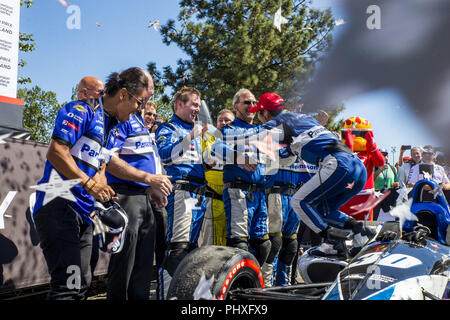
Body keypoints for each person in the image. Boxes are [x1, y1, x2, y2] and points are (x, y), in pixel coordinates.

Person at [32, 67, 151, 300]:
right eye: (139, 102)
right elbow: (56, 152)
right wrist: (89, 184)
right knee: (67, 287)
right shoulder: (82, 109)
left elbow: (100, 168)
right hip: (58, 203)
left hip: (85, 213)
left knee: (83, 284)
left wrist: (103, 192)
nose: (141, 109)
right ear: (123, 95)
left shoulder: (114, 126)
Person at [214, 92, 369, 248]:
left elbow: (248, 136)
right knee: (323, 210)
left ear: (265, 113)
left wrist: (218, 131)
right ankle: (360, 230)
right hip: (359, 169)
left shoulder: (279, 122)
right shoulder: (302, 120)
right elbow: (284, 153)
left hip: (338, 165)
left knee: (300, 202)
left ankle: (332, 242)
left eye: (258, 112)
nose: (257, 116)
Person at [104, 72, 173, 300]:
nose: (151, 92)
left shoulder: (138, 120)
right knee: (124, 266)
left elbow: (146, 160)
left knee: (143, 269)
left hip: (145, 199)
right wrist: (148, 179)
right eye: (149, 86)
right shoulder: (121, 118)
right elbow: (109, 160)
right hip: (126, 198)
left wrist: (152, 187)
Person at [155, 86, 208, 299]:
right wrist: (190, 137)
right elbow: (166, 156)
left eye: (198, 105)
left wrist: (210, 159)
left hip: (199, 195)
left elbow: (204, 161)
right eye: (193, 104)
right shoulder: (169, 128)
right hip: (180, 193)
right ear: (179, 104)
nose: (197, 109)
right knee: (177, 250)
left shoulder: (197, 131)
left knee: (193, 252)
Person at [212, 88, 272, 269]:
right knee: (239, 245)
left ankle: (253, 283)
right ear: (235, 105)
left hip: (260, 194)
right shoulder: (227, 130)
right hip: (238, 191)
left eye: (255, 102)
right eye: (247, 102)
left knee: (263, 246)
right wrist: (239, 157)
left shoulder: (262, 130)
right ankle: (234, 288)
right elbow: (215, 150)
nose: (252, 106)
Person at [339, 117, 385, 221]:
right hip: (345, 196)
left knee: (364, 229)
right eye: (353, 133)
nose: (356, 137)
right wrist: (348, 148)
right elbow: (346, 167)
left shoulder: (369, 153)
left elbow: (380, 162)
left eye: (361, 134)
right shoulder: (340, 152)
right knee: (341, 227)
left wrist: (372, 145)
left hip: (365, 197)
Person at [200, 109, 235, 246]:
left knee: (231, 245)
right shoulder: (210, 139)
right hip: (213, 200)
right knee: (211, 245)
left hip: (233, 202)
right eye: (220, 120)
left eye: (227, 120)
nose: (223, 123)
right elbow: (205, 128)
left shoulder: (239, 142)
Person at [373, 148, 400, 221]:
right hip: (376, 199)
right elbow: (370, 180)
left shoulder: (393, 168)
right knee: (375, 220)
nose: (383, 156)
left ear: (387, 156)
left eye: (385, 154)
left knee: (390, 221)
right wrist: (380, 170)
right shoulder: (373, 167)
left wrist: (397, 184)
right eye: (380, 154)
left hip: (389, 199)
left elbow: (396, 182)